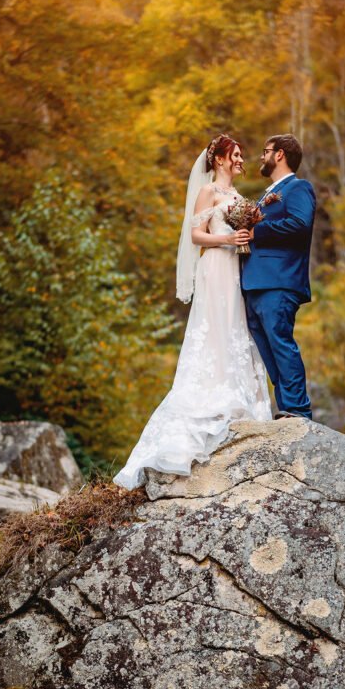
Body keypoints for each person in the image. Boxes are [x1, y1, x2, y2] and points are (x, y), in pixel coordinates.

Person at [113, 135, 272, 490]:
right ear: (219, 160)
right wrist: (228, 239)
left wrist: (246, 234)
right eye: (235, 155)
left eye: (241, 155)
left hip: (235, 268)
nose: (240, 160)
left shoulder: (236, 195)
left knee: (236, 329)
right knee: (215, 329)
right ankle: (212, 396)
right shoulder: (208, 191)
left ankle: (238, 394)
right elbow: (196, 235)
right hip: (215, 267)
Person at [241, 133, 316, 419]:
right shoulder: (266, 195)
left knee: (281, 343)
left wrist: (256, 231)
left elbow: (300, 224)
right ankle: (286, 410)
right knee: (269, 351)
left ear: (280, 154)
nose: (261, 157)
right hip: (255, 283)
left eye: (265, 151)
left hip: (279, 281)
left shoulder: (298, 188)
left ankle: (298, 410)